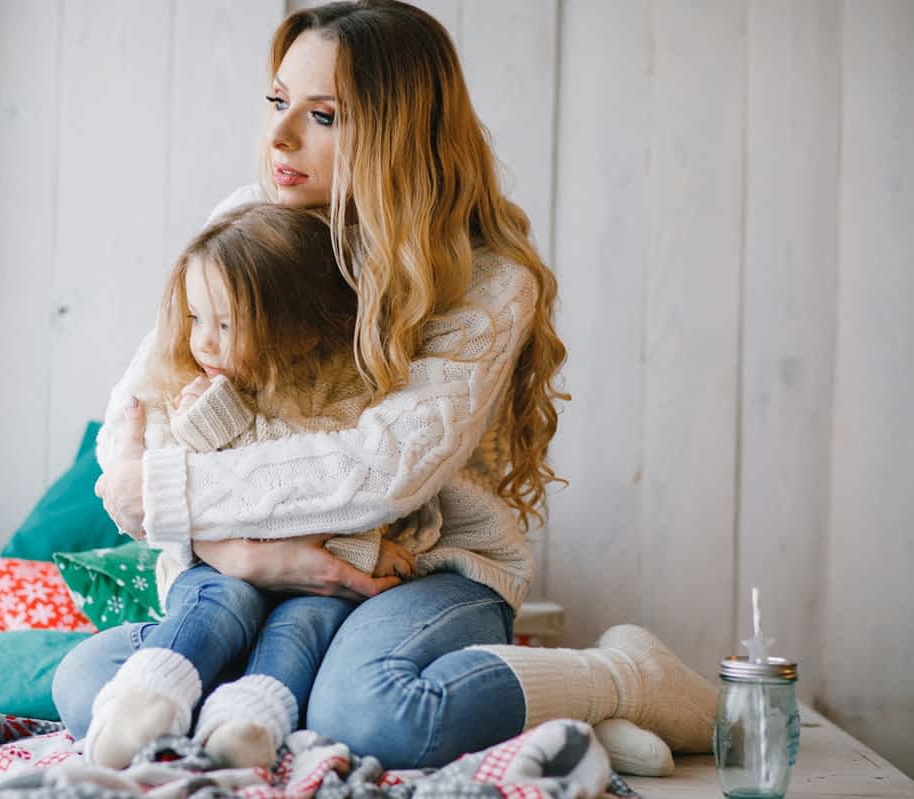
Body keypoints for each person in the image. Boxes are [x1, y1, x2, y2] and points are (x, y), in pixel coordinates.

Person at [56, 0, 716, 775]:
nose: (279, 136)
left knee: (371, 712)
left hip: (420, 565)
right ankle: (463, 703)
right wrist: (246, 553)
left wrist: (168, 496)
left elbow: (382, 470)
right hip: (256, 573)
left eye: (323, 115)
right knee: (87, 684)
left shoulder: (488, 283)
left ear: (398, 132)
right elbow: (135, 412)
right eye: (277, 102)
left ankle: (618, 680)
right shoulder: (248, 222)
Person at [85, 202, 434, 770]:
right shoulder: (188, 389)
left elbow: (336, 501)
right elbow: (172, 500)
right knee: (218, 601)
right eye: (197, 319)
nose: (205, 342)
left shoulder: (340, 402)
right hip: (212, 574)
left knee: (305, 622)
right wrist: (201, 431)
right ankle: (147, 695)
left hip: (313, 588)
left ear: (299, 333)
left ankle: (249, 719)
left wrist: (360, 552)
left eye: (226, 325)